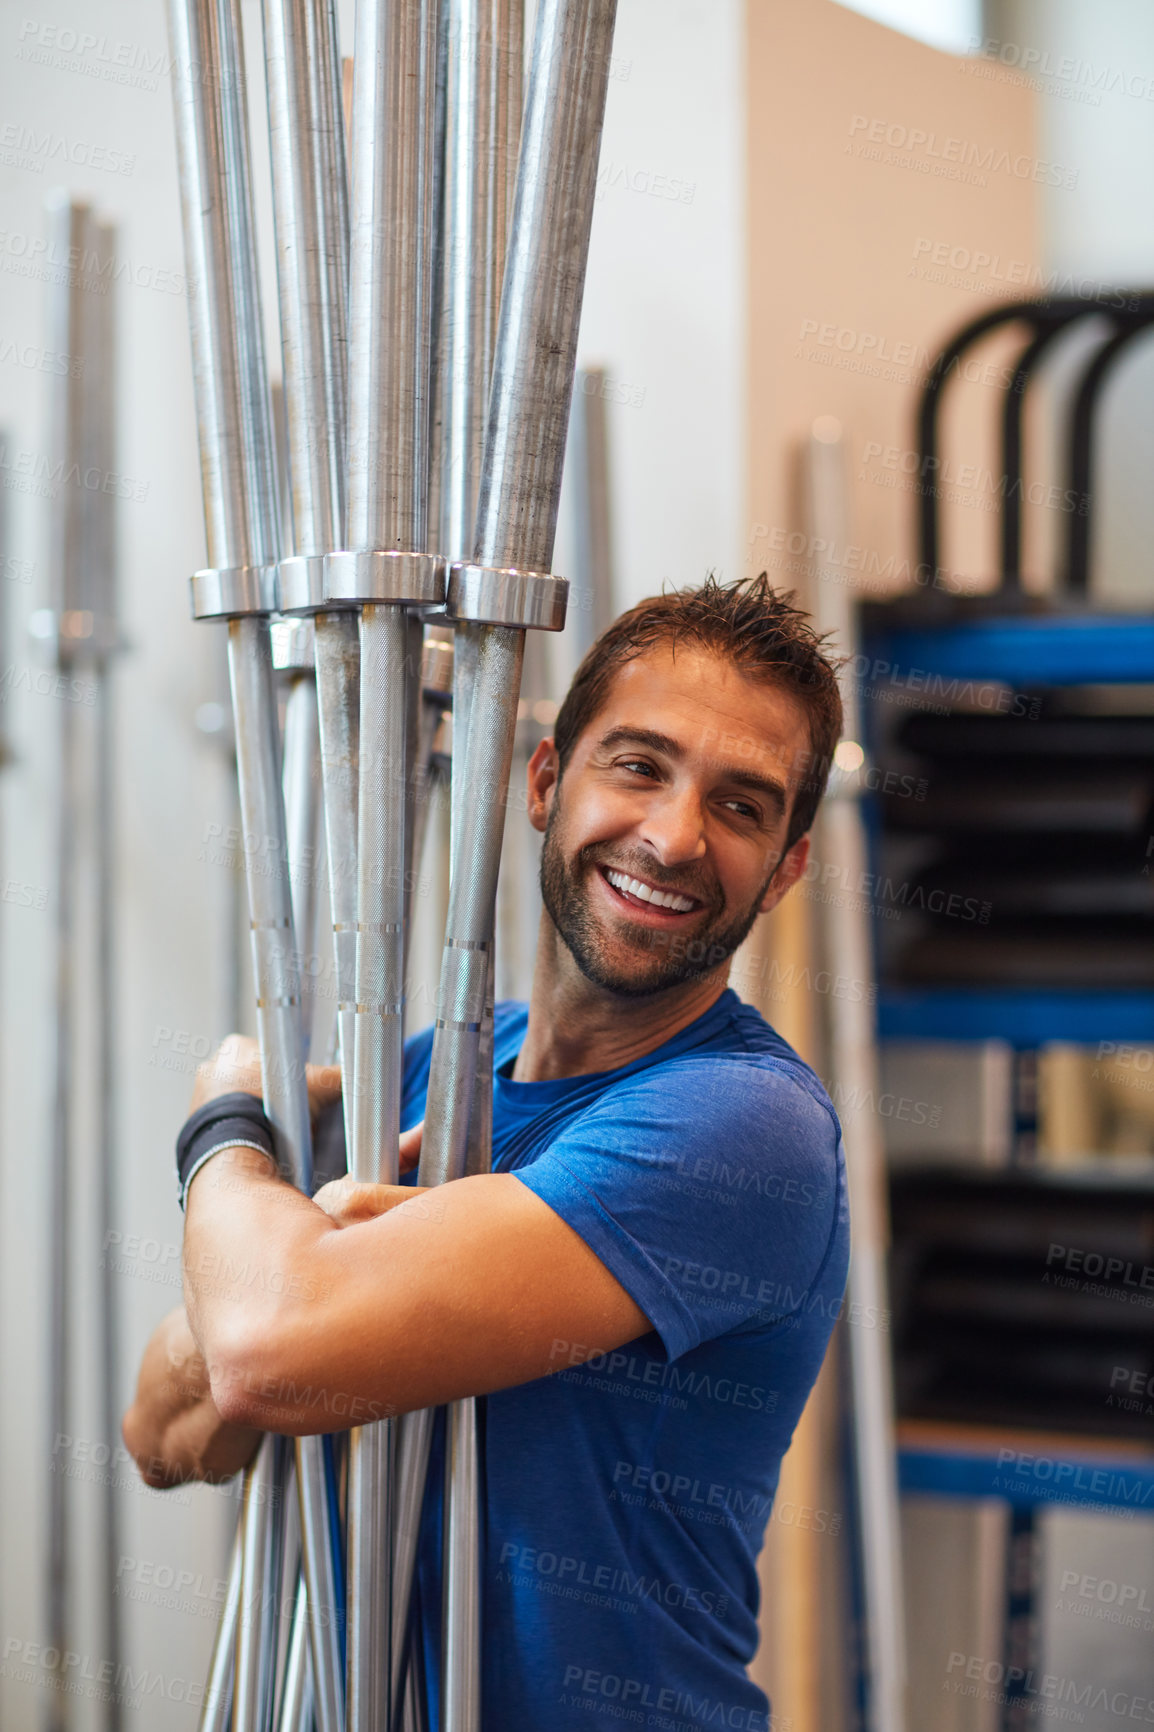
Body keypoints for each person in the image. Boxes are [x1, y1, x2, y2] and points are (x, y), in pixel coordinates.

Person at [125, 573, 851, 1730]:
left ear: (788, 865)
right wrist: (281, 1263)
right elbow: (165, 1434)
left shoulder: (740, 1126)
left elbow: (264, 1347)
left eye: (741, 805)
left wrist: (226, 1125)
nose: (672, 836)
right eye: (638, 766)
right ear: (544, 783)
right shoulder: (428, 1072)